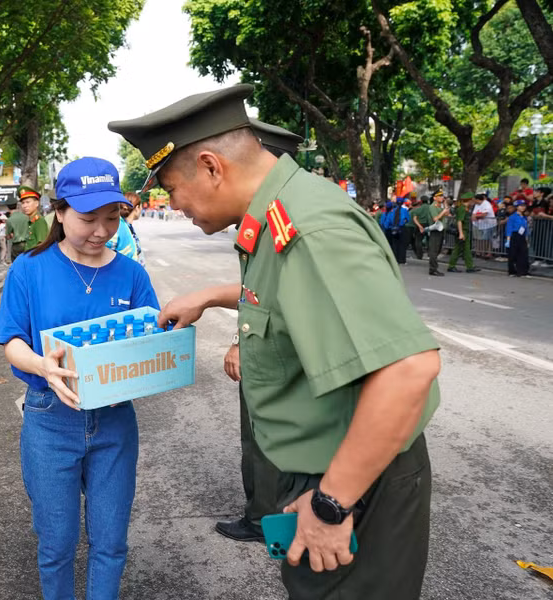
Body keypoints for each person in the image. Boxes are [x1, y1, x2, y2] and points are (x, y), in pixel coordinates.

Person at [110, 84, 441, 599]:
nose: (173, 204)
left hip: (353, 483)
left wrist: (331, 504)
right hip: (334, 473)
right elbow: (289, 302)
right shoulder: (276, 214)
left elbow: (407, 370)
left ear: (211, 166)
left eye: (171, 189)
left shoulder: (306, 228)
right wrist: (214, 296)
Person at [0, 157, 158, 600]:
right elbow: (10, 340)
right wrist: (43, 365)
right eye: (87, 218)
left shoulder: (132, 273)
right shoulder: (30, 268)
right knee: (56, 543)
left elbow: (152, 338)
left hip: (115, 419)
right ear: (59, 212)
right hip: (50, 419)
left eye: (112, 217)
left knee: (110, 541)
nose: (101, 230)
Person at [217, 118, 302, 544]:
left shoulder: (283, 221)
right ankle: (268, 515)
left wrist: (239, 342)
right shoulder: (262, 219)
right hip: (265, 349)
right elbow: (258, 292)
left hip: (278, 359)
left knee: (266, 441)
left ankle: (266, 517)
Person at [447, 192, 480, 273]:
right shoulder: (462, 208)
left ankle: (469, 266)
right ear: (469, 200)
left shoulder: (465, 208)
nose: (473, 202)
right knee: (458, 249)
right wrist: (461, 233)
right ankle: (452, 266)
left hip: (465, 230)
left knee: (466, 249)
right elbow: (459, 221)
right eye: (472, 200)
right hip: (462, 231)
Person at [426, 191, 450, 276]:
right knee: (434, 250)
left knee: (438, 250)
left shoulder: (440, 206)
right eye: (439, 196)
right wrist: (443, 212)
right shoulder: (433, 207)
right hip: (435, 230)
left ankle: (434, 268)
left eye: (442, 196)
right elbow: (435, 219)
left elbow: (447, 213)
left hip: (440, 229)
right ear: (434, 198)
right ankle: (433, 269)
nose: (442, 197)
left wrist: (445, 204)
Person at [19, 185, 50, 252]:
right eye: (23, 203)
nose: (25, 206)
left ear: (36, 203)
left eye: (27, 202)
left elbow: (42, 245)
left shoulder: (39, 221)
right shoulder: (31, 221)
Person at [506, 199, 530, 277]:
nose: (523, 207)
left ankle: (523, 271)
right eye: (521, 206)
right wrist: (508, 239)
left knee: (523, 253)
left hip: (522, 236)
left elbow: (526, 229)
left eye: (524, 206)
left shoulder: (524, 217)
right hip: (514, 235)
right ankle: (512, 271)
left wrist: (526, 239)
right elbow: (509, 228)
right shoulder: (512, 217)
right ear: (517, 207)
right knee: (513, 254)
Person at [471, 192, 496, 259]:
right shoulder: (477, 204)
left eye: (474, 200)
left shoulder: (486, 204)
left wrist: (476, 216)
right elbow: (474, 213)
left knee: (487, 239)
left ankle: (488, 253)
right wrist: (474, 216)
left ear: (478, 199)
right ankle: (480, 252)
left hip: (488, 224)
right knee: (479, 239)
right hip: (479, 224)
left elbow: (484, 215)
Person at [409, 195, 431, 260]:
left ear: (421, 201)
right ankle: (430, 254)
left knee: (418, 240)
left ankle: (419, 255)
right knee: (430, 239)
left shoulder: (418, 209)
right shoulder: (431, 208)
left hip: (420, 224)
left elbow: (414, 218)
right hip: (429, 225)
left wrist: (420, 226)